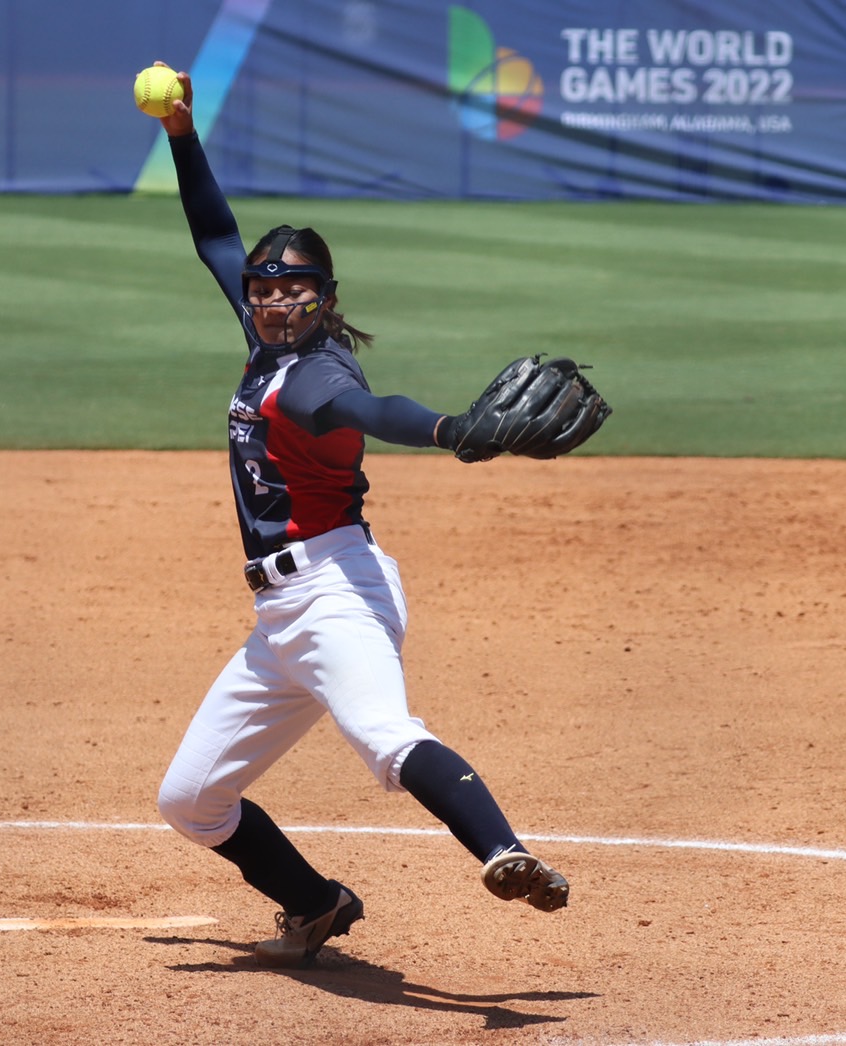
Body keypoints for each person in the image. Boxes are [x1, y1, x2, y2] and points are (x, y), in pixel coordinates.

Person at [149, 63, 568, 969]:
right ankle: (316, 904)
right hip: (277, 620)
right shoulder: (266, 339)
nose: (268, 300)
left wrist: (451, 428)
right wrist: (184, 134)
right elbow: (216, 235)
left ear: (324, 299)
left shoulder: (315, 375)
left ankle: (505, 851)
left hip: (339, 594)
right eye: (260, 290)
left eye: (288, 291)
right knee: (190, 800)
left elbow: (378, 413)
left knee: (384, 735)